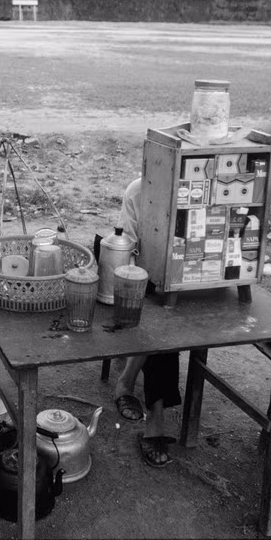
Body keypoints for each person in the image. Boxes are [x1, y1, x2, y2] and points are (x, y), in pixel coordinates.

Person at [108, 177, 181, 468]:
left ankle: (126, 380)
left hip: (186, 282)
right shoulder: (139, 192)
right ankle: (156, 420)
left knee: (169, 316)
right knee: (163, 324)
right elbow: (127, 252)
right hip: (143, 279)